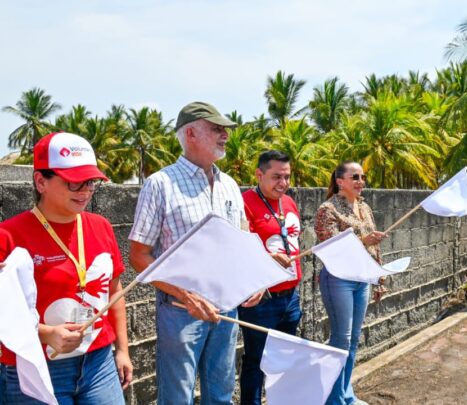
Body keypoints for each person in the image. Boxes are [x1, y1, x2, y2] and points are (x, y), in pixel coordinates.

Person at [128, 102, 251, 405]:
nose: (225, 135)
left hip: (226, 307)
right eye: (216, 129)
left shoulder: (230, 186)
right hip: (181, 311)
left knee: (221, 394)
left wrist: (252, 281)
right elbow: (138, 256)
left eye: (225, 129)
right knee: (177, 397)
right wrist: (186, 296)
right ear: (192, 133)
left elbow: (243, 239)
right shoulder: (160, 184)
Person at [0, 132, 132, 404]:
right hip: (36, 367)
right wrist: (46, 333)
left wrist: (122, 349)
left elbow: (115, 290)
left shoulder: (101, 226)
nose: (85, 191)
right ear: (41, 181)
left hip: (98, 364)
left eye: (91, 182)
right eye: (74, 183)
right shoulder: (8, 236)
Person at [314, 161, 387, 405]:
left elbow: (373, 242)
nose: (361, 181)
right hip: (339, 279)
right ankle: (333, 399)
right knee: (341, 339)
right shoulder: (328, 209)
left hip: (361, 278)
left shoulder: (364, 206)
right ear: (339, 181)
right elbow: (330, 245)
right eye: (355, 177)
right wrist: (363, 240)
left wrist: (379, 277)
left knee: (353, 339)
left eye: (363, 177)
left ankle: (346, 394)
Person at [238, 150, 303, 405]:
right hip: (262, 297)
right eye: (276, 177)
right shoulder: (245, 202)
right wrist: (269, 257)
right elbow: (241, 248)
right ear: (259, 174)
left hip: (290, 296)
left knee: (286, 358)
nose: (283, 183)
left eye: (287, 177)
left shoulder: (288, 202)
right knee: (256, 361)